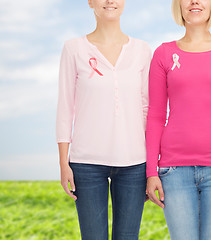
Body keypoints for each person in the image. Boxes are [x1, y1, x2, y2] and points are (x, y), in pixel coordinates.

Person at [145, 0, 211, 239]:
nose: (195, 1)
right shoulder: (163, 54)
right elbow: (155, 116)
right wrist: (151, 171)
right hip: (174, 171)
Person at [56, 0, 151, 239]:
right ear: (90, 2)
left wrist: (152, 166)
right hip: (86, 163)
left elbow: (147, 108)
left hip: (134, 163)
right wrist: (63, 162)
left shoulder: (142, 50)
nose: (110, 1)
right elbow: (65, 107)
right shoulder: (74, 49)